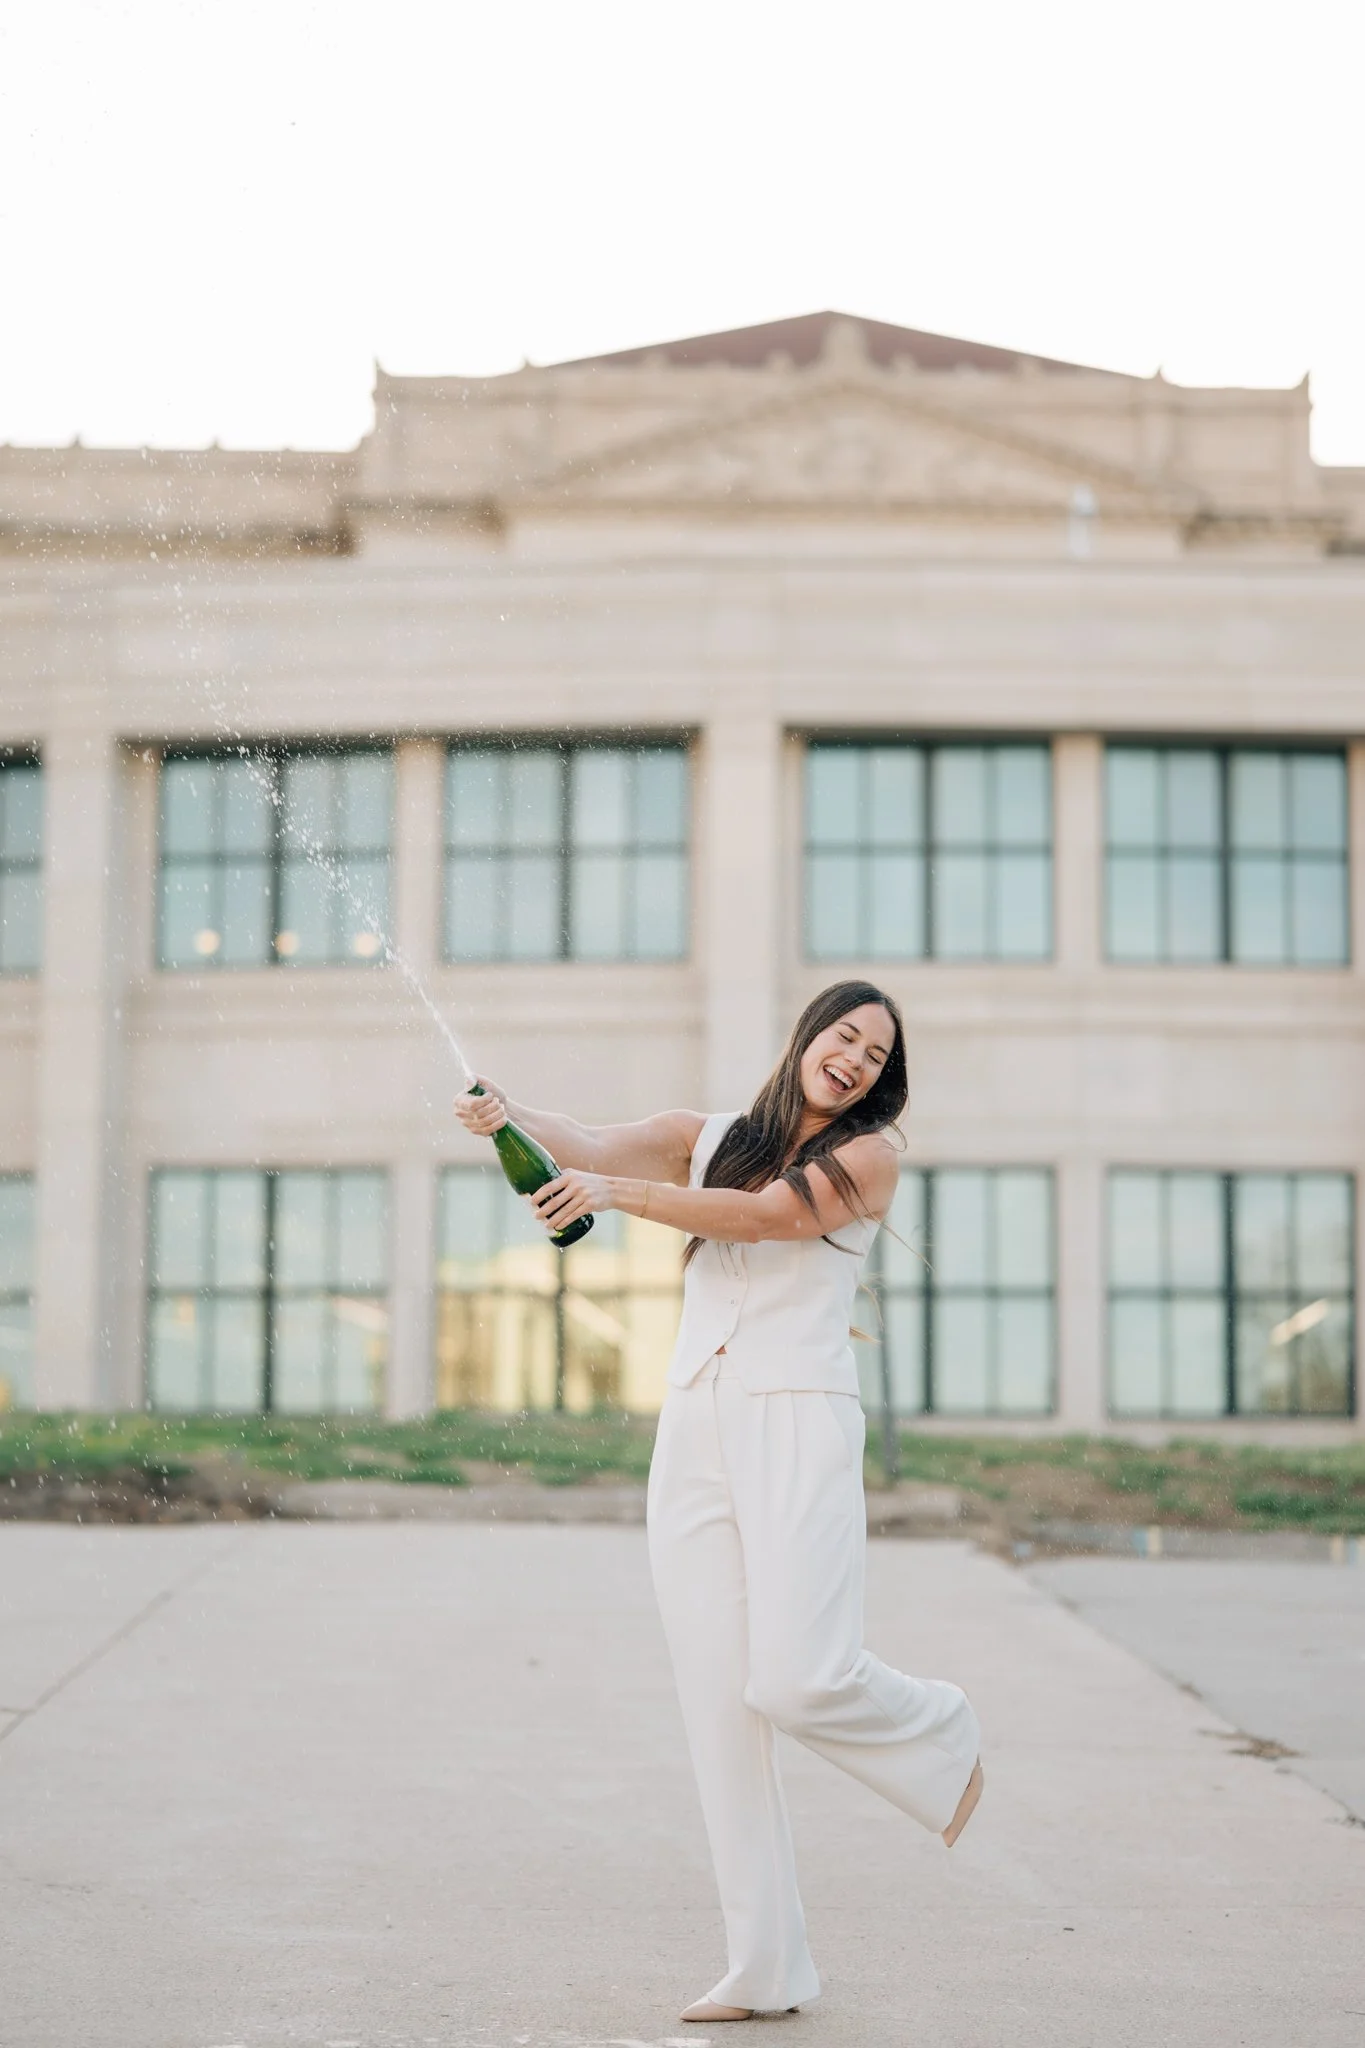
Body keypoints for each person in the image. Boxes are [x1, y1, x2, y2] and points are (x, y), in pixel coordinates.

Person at [452, 980, 982, 2023]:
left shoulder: (872, 1155)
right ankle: (766, 1962)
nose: (855, 1061)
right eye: (844, 1036)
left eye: (875, 1055)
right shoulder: (710, 1132)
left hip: (798, 1420)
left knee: (796, 1680)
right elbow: (594, 1133)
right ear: (806, 1036)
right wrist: (506, 1112)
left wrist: (607, 1190)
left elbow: (764, 1216)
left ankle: (940, 1725)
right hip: (696, 1421)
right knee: (717, 1706)